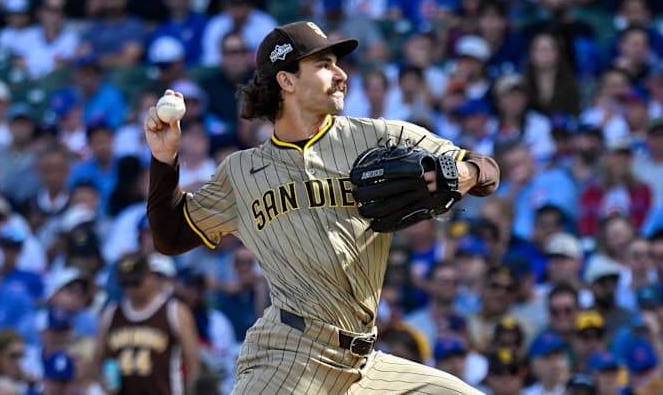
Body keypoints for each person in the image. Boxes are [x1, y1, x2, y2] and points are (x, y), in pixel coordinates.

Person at [145, 20, 500, 394]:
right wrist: (164, 160)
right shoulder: (241, 172)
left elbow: (488, 170)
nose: (341, 74)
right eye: (324, 64)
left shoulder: (377, 137)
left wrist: (464, 172)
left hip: (366, 364)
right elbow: (169, 237)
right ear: (287, 81)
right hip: (287, 357)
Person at [95, 253, 200, 395]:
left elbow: (193, 364)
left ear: (150, 277)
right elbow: (98, 360)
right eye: (126, 284)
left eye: (136, 283)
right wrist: (105, 383)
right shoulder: (110, 314)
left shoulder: (174, 311)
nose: (131, 290)